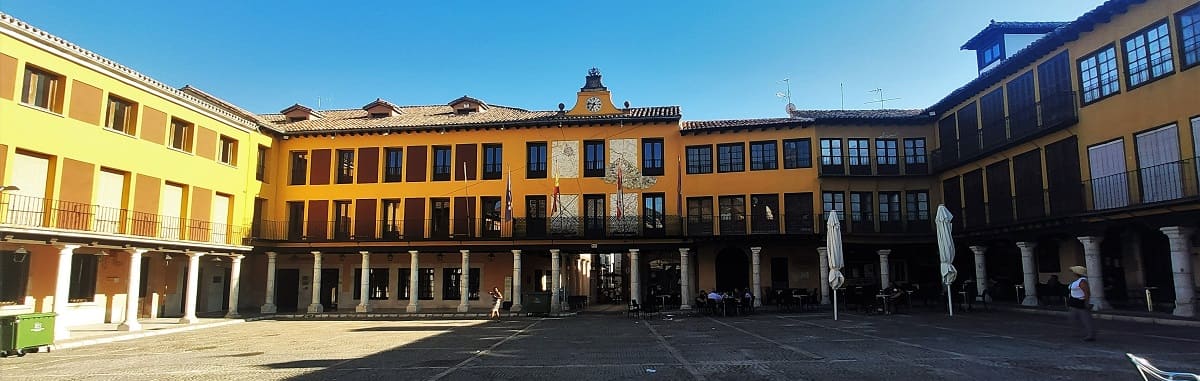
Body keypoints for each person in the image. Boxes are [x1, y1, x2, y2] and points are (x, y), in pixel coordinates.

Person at [1066, 266, 1095, 341]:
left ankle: (1090, 335)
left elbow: (1086, 293)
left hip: (1080, 302)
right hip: (1074, 302)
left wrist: (1087, 302)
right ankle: (1078, 332)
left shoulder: (1082, 281)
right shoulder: (1077, 281)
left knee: (1086, 319)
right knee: (1073, 318)